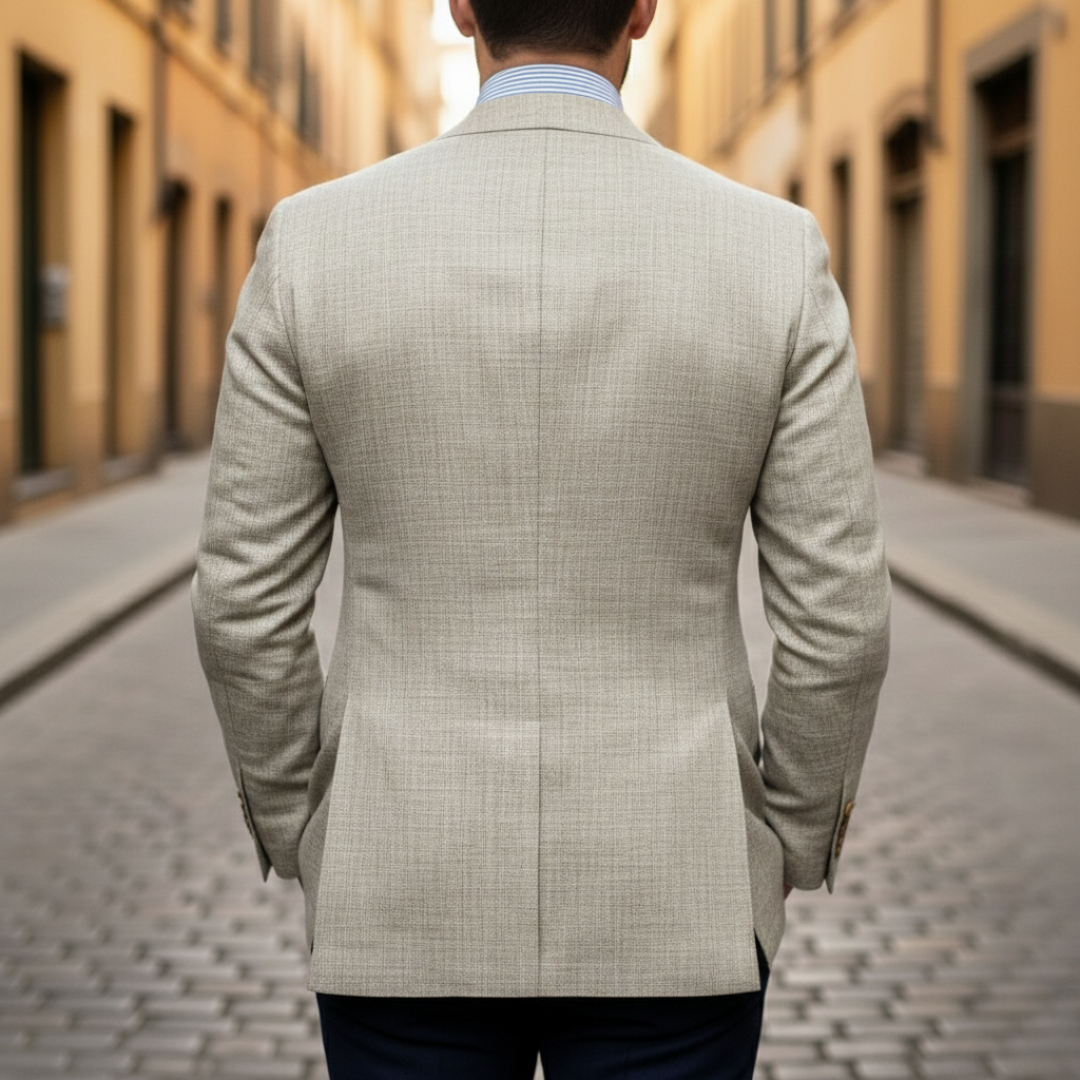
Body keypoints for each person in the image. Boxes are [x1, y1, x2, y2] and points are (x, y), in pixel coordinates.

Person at [191, 0, 891, 1075]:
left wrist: (307, 825)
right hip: (677, 898)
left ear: (460, 7)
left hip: (403, 887)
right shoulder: (773, 254)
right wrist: (781, 843)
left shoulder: (314, 243)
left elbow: (242, 601)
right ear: (645, 9)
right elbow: (840, 620)